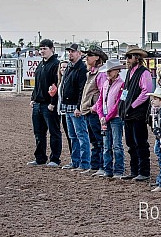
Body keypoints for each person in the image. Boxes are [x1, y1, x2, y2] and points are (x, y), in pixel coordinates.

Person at [118, 45, 153, 181]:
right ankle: (134, 170)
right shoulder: (129, 73)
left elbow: (146, 92)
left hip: (138, 113)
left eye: (129, 57)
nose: (127, 60)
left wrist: (132, 105)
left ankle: (144, 171)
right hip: (128, 112)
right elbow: (125, 91)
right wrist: (122, 105)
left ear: (136, 58)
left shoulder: (144, 73)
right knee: (131, 143)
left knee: (140, 142)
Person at [28, 39, 62, 167]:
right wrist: (33, 98)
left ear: (52, 49)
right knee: (39, 133)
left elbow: (57, 86)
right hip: (38, 104)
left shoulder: (55, 64)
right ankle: (40, 157)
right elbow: (37, 84)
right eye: (40, 49)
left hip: (49, 105)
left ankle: (55, 159)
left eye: (44, 49)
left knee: (54, 132)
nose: (42, 51)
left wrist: (53, 102)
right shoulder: (40, 65)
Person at [59, 43, 89, 171]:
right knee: (73, 136)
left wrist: (79, 106)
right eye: (69, 51)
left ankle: (84, 163)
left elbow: (82, 89)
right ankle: (75, 161)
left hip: (74, 107)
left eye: (73, 51)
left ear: (79, 53)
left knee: (81, 135)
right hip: (67, 106)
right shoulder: (70, 67)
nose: (70, 53)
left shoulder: (81, 68)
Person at [95, 59, 126, 179]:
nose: (108, 73)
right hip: (107, 118)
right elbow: (100, 101)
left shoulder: (122, 84)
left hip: (115, 118)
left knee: (116, 145)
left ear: (117, 71)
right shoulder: (105, 84)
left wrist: (104, 117)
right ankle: (108, 169)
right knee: (107, 145)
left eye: (111, 70)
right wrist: (101, 115)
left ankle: (118, 170)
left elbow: (118, 104)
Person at [81, 46, 108, 175]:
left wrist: (94, 107)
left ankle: (101, 166)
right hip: (90, 110)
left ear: (97, 58)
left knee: (99, 140)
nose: (87, 57)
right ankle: (95, 166)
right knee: (94, 141)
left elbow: (103, 94)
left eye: (90, 55)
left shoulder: (100, 74)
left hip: (95, 112)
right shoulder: (92, 73)